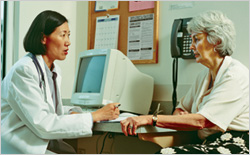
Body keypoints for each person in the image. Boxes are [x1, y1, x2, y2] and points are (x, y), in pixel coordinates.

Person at [120, 10, 249, 154]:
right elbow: (180, 109)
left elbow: (203, 121)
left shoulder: (235, 75)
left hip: (234, 144)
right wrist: (183, 117)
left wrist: (151, 119)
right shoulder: (203, 76)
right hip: (209, 143)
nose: (191, 46)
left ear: (216, 41)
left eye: (197, 39)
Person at [1, 10, 120, 154]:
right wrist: (94, 116)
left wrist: (72, 112)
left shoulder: (53, 69)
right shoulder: (24, 70)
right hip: (21, 147)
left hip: (44, 144)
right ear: (43, 38)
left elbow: (48, 108)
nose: (68, 42)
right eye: (62, 35)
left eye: (68, 35)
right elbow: (43, 123)